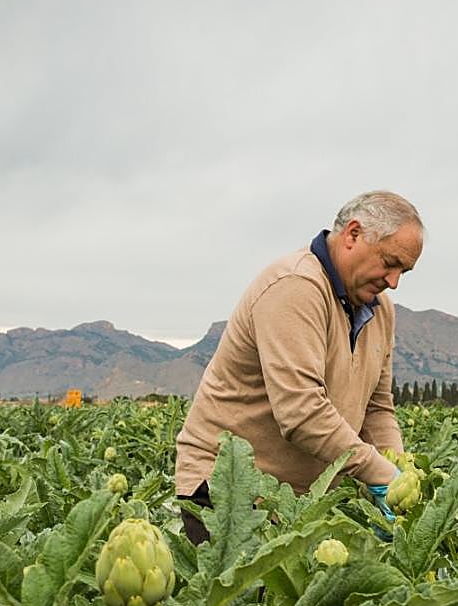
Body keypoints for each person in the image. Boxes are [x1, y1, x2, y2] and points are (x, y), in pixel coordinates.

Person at [174, 190, 425, 543]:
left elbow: (377, 408)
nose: (394, 281)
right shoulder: (296, 286)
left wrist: (399, 470)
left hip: (300, 503)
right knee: (244, 600)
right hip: (229, 491)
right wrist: (379, 473)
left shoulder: (380, 310)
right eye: (390, 262)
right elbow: (301, 412)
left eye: (404, 271)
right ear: (353, 234)